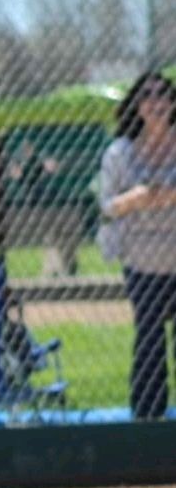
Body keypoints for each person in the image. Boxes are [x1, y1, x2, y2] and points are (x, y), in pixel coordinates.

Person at [98, 70, 176, 420]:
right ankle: (147, 416)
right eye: (148, 95)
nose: (157, 101)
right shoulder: (120, 152)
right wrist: (137, 198)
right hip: (142, 259)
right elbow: (107, 206)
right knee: (149, 336)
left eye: (164, 94)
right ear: (137, 105)